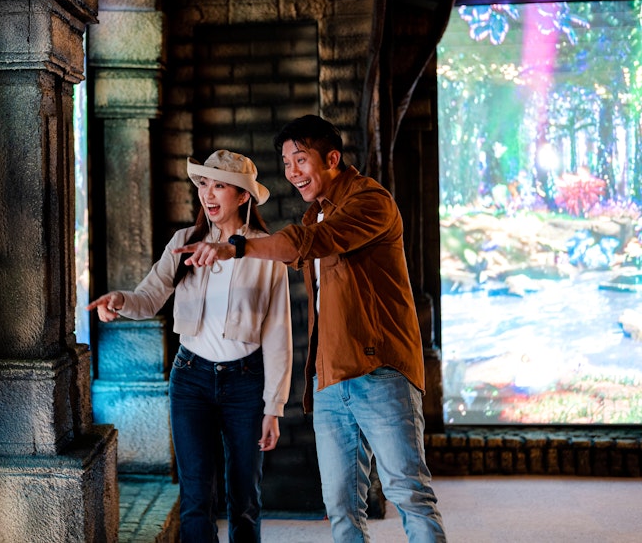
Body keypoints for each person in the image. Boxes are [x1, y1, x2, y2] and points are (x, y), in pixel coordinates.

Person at [174, 116, 446, 542]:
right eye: (286, 163)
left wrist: (236, 247)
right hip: (330, 380)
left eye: (300, 160)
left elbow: (304, 244)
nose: (292, 172)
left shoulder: (370, 201)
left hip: (381, 372)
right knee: (341, 509)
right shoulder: (315, 212)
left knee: (409, 493)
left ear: (331, 159)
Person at [87, 150, 293, 543]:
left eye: (219, 186)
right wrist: (121, 300)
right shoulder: (184, 241)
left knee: (245, 497)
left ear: (243, 196)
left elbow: (278, 333)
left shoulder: (267, 252)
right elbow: (148, 297)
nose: (208, 195)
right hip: (190, 379)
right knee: (196, 497)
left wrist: (274, 407)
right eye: (203, 185)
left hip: (246, 383)